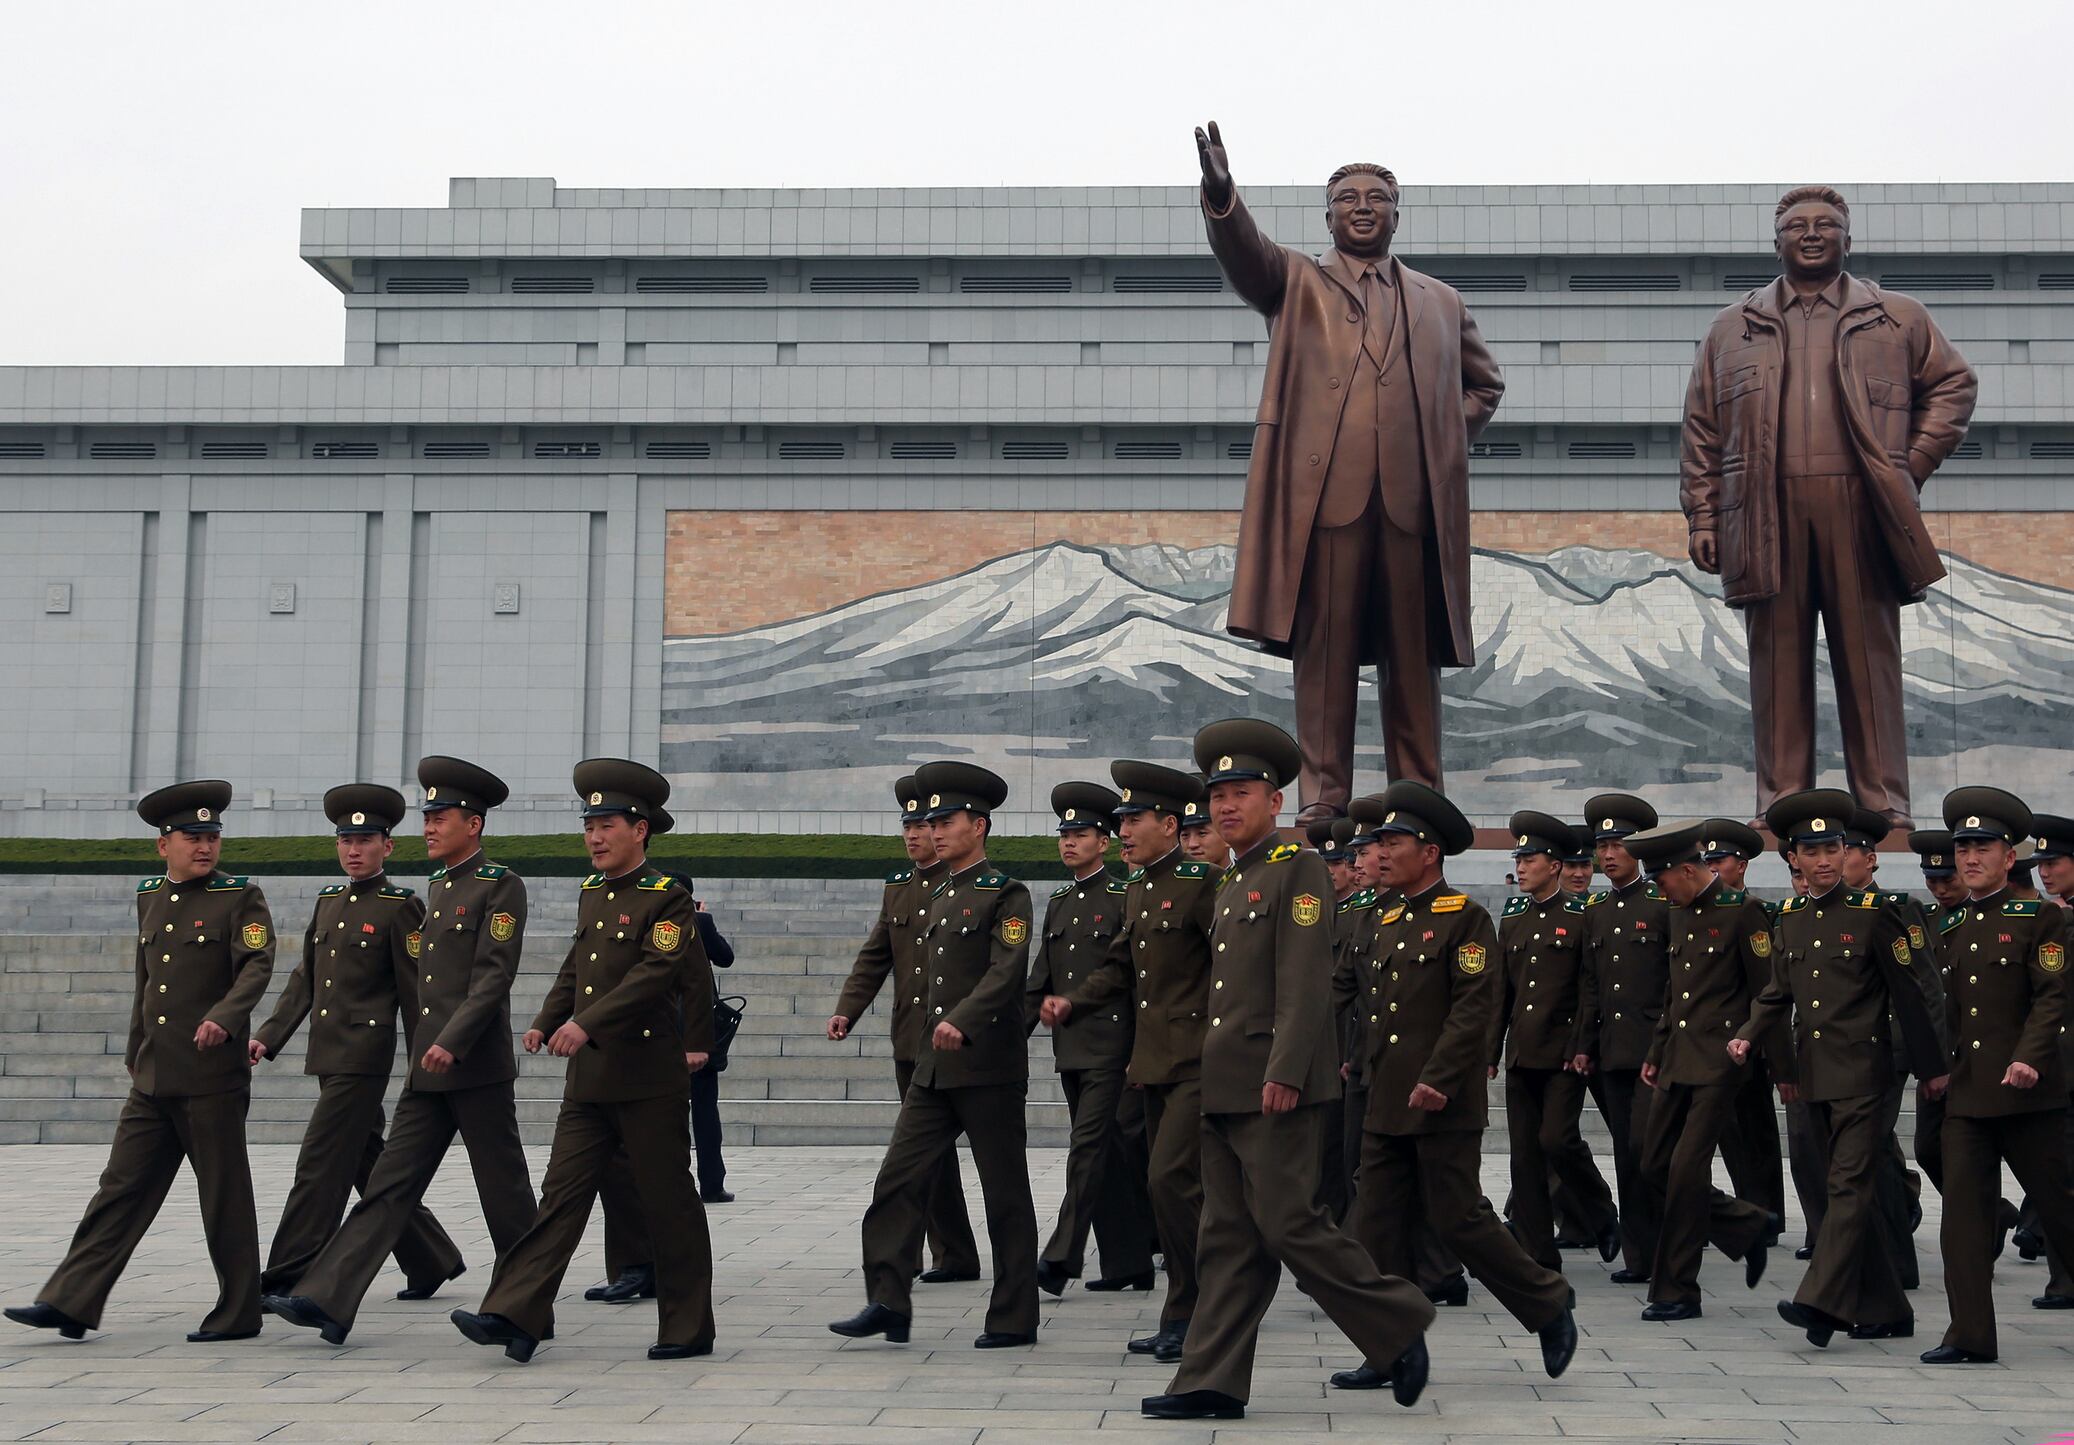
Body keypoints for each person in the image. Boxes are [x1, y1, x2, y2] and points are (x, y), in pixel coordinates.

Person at [1193, 124, 1504, 820]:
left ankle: (1418, 797)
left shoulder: (1441, 302)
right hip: (1326, 504)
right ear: (1327, 214)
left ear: (1398, 212)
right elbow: (1247, 259)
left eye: (1377, 197)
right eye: (1347, 198)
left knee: (1412, 660)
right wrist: (1222, 197)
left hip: (1411, 509)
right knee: (1325, 658)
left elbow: (1485, 387)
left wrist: (1439, 442)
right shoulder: (1299, 282)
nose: (1362, 206)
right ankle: (1323, 798)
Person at [1142, 723, 1437, 1422]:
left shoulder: (1295, 866)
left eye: (1239, 792)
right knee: (1228, 1237)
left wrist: (1287, 1070)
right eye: (1216, 795)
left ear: (1274, 800)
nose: (1224, 807)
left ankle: (1397, 1320)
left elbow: (1304, 982)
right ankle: (1208, 1379)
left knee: (1289, 1223)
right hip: (1224, 1082)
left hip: (1273, 1085)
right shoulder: (1232, 877)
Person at [1680, 184, 1976, 827]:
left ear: (1849, 237)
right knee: (1777, 661)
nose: (1811, 233)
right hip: (1763, 509)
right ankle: (1783, 799)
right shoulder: (1734, 327)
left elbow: (1953, 386)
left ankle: (1883, 800)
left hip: (1862, 507)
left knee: (1869, 658)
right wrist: (1704, 516)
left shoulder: (1896, 316)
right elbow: (1702, 428)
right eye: (1796, 224)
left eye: (1826, 224)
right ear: (1776, 239)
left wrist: (1908, 466)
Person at [265, 755, 537, 1345]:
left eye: (443, 816)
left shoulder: (500, 886)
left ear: (475, 824)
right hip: (428, 1070)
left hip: (476, 1067)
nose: (431, 826)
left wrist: (449, 1042)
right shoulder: (438, 889)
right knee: (387, 1189)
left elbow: (494, 977)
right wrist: (424, 1050)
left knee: (506, 1197)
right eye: (429, 815)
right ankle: (328, 1300)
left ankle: (523, 1310)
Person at [451, 759, 713, 1363]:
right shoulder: (592, 893)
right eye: (588, 824)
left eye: (607, 824)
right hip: (589, 1081)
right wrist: (546, 1020)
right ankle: (515, 1314)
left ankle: (687, 1326)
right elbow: (577, 970)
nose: (594, 836)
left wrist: (584, 1023)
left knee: (667, 1202)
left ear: (640, 830)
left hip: (646, 1079)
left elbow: (654, 975)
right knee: (559, 1200)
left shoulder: (666, 899)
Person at [1334, 780, 1577, 1399]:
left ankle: (1548, 1304)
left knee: (1459, 1218)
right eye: (1379, 842)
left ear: (1430, 853)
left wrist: (1439, 1078)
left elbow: (1474, 1008)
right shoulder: (1380, 918)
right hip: (1384, 1096)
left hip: (1441, 1099)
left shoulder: (1463, 917)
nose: (1380, 852)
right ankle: (1390, 1346)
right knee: (1376, 1227)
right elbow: (1352, 998)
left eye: (1394, 842)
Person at [7, 781, 273, 1343]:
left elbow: (257, 965)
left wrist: (224, 1018)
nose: (204, 846)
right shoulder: (150, 894)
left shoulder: (240, 897)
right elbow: (146, 979)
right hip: (153, 1073)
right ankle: (71, 1300)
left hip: (210, 1076)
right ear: (163, 845)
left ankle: (239, 1311)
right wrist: (134, 1047)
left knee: (223, 1196)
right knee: (119, 1190)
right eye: (192, 836)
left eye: (212, 836)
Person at [830, 762, 1040, 1349]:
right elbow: (891, 961)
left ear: (979, 825)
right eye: (930, 820)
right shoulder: (934, 892)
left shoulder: (1008, 893)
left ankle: (1014, 1316)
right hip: (931, 1066)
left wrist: (963, 1022)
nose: (934, 829)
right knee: (897, 1181)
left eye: (946, 820)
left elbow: (1007, 972)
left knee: (1004, 1194)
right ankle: (888, 1300)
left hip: (987, 1068)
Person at [1740, 789, 1948, 1347]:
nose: (1826, 859)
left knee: (1848, 1185)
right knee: (1844, 1187)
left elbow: (1912, 994)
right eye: (1813, 850)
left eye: (1833, 846)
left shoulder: (1877, 915)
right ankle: (1888, 1309)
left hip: (1867, 1074)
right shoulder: (1788, 919)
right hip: (1816, 1075)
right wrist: (1745, 1037)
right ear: (1794, 860)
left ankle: (1822, 1300)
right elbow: (1776, 993)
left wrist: (1931, 1069)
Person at [249, 784, 464, 1300]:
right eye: (346, 840)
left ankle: (286, 1274)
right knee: (367, 1162)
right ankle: (430, 1257)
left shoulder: (400, 907)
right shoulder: (328, 902)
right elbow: (305, 978)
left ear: (387, 847)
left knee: (319, 1164)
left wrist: (423, 1062)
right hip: (326, 1053)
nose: (354, 849)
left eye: (366, 840)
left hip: (363, 1059)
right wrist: (268, 1036)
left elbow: (418, 993)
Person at [1043, 761, 1216, 1359]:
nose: (1123, 831)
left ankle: (1205, 1308)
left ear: (1169, 824)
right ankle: (1188, 1312)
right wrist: (1072, 1001)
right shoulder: (1140, 887)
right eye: (1120, 820)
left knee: (1175, 1182)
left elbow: (1234, 971)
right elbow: (1117, 965)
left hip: (1200, 1059)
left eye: (1133, 819)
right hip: (1153, 1063)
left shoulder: (1202, 884)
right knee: (1168, 1186)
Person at [1923, 787, 2074, 1363]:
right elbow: (1941, 1008)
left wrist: (2030, 1056)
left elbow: (2051, 997)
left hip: (2030, 1096)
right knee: (1961, 1220)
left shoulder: (2038, 919)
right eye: (1963, 847)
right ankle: (1968, 1335)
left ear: (2010, 858)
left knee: (2059, 1210)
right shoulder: (1949, 924)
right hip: (1967, 1096)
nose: (1969, 857)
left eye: (1982, 846)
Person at [1621, 821, 1782, 1320]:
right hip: (1676, 1058)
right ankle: (1744, 1224)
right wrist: (1655, 1049)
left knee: (1687, 1170)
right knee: (1651, 1163)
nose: (1659, 889)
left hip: (1720, 1060)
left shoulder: (1744, 912)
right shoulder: (1679, 912)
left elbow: (1769, 990)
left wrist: (1752, 1041)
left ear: (1687, 870)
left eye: (1662, 879)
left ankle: (1676, 1290)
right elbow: (1676, 990)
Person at [826, 776, 978, 1284]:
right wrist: (849, 1008)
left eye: (925, 825)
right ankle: (948, 1253)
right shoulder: (900, 888)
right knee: (924, 1156)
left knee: (919, 1154)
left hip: (954, 1041)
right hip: (910, 1038)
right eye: (909, 826)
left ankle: (925, 1254)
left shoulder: (965, 886)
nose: (916, 835)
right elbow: (875, 957)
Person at [583, 820, 736, 1305]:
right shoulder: (605, 899)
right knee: (617, 1166)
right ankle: (633, 1267)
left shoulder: (679, 914)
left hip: (670, 1043)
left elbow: (703, 973)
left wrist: (698, 1044)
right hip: (619, 1046)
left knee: (669, 1161)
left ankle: (667, 1275)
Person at [1026, 781, 1157, 1296]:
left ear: (1104, 842)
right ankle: (1130, 1263)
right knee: (1113, 1158)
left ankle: (1062, 1254)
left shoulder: (1126, 896)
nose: (1069, 844)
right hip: (1072, 1050)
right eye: (1064, 836)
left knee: (1087, 1149)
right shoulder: (1058, 903)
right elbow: (1040, 979)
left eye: (1080, 835)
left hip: (1116, 1049)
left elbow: (1138, 978)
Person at [1490, 811, 1618, 1271]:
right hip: (1522, 1051)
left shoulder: (1584, 916)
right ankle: (1538, 1255)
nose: (1522, 867)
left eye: (1531, 858)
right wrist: (1491, 1050)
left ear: (1556, 865)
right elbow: (1503, 991)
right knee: (1524, 1158)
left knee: (1557, 1140)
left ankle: (1600, 1211)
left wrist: (1582, 1045)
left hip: (1564, 1051)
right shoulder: (1514, 919)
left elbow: (1589, 988)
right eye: (1518, 858)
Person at [1574, 794, 1668, 1281]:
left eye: (1618, 844)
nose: (1608, 853)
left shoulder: (1662, 903)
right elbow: (1591, 984)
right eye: (1602, 844)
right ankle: (1640, 1256)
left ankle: (1668, 1249)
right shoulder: (1597, 909)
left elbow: (1678, 981)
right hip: (1612, 1051)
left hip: (1655, 1050)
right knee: (1627, 1158)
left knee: (1649, 1155)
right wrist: (1585, 1045)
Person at [1700, 820, 1787, 1242]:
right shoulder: (1698, 911)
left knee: (1755, 1131)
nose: (1713, 868)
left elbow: (1764, 985)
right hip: (1707, 1045)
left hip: (1746, 1042)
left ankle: (1766, 1214)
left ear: (1743, 865)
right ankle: (1748, 1210)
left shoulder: (1751, 912)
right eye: (1708, 861)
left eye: (1721, 860)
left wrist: (1768, 1048)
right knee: (1729, 1135)